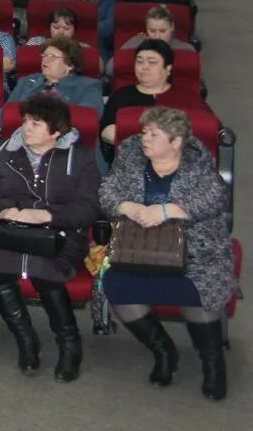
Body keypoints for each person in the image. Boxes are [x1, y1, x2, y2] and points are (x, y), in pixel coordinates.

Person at [100, 106, 233, 401]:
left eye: (154, 134)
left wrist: (168, 211)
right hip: (138, 248)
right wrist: (129, 207)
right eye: (144, 132)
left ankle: (213, 364)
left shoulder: (197, 160)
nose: (145, 138)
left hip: (196, 251)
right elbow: (107, 191)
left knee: (199, 289)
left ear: (176, 142)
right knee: (116, 284)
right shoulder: (131, 154)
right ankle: (163, 351)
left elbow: (216, 196)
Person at [0, 93, 98, 382]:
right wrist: (3, 214)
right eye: (25, 122)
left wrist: (47, 216)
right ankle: (25, 339)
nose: (25, 128)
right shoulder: (7, 149)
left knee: (46, 271)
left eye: (35, 124)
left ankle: (69, 344)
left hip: (59, 234)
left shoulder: (79, 156)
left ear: (56, 132)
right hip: (12, 231)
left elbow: (90, 207)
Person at [7, 37, 103, 114]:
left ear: (69, 65)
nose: (45, 60)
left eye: (52, 57)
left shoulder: (89, 86)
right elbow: (5, 113)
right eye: (44, 56)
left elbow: (87, 116)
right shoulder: (26, 81)